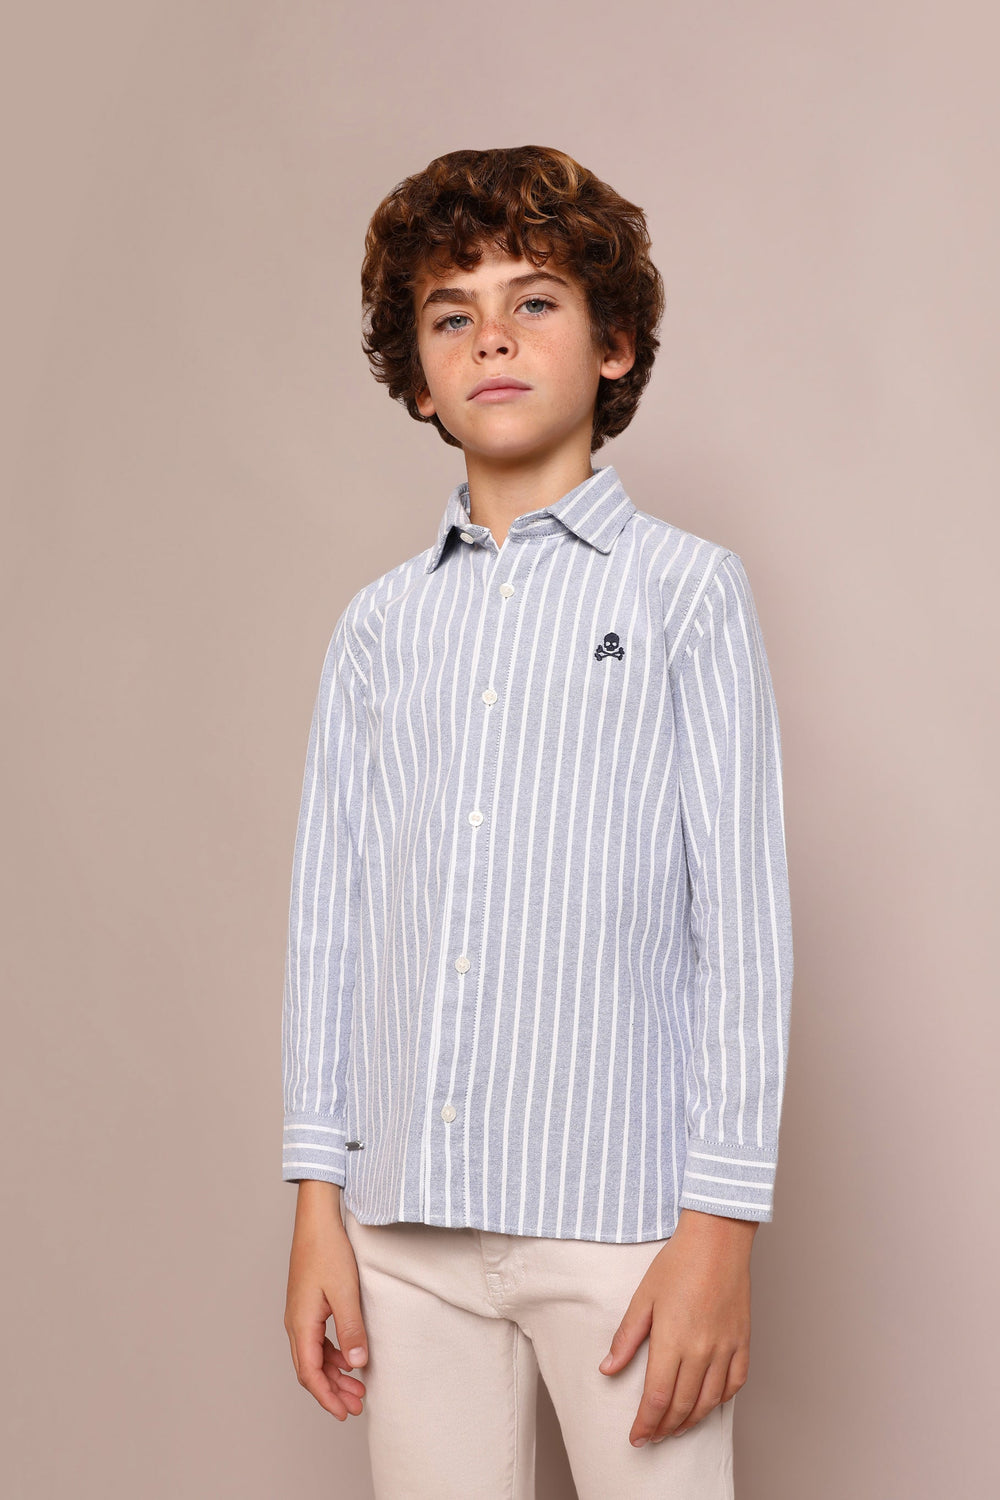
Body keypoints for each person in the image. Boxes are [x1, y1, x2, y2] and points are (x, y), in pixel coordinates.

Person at [281, 144, 794, 1499]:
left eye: (536, 301)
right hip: (404, 1229)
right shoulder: (378, 629)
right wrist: (318, 1206)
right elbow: (332, 928)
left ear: (614, 345)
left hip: (622, 1225)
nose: (492, 338)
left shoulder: (688, 595)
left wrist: (721, 1229)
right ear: (418, 372)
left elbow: (742, 929)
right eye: (451, 315)